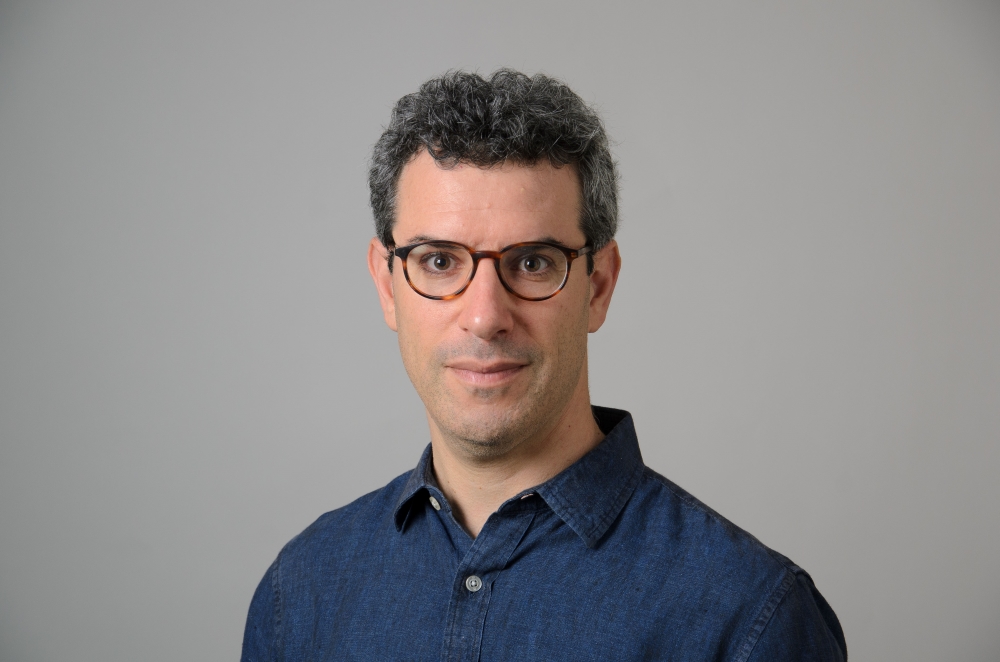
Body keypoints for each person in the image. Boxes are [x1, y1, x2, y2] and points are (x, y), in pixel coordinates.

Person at [241, 69, 847, 661]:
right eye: (438, 262)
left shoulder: (748, 619)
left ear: (599, 285)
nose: (485, 317)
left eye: (532, 262)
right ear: (386, 284)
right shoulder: (300, 593)